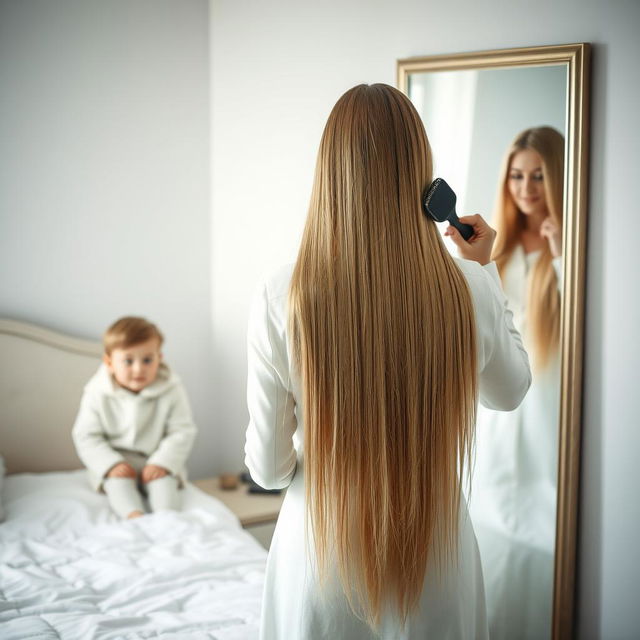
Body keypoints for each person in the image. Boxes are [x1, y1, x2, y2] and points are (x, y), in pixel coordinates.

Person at [244, 83, 531, 640]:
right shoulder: (467, 288)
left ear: (329, 175)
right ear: (421, 175)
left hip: (319, 559)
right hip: (436, 558)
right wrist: (484, 271)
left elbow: (270, 469)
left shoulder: (283, 294)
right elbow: (510, 391)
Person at [463, 126, 565, 640]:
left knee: (541, 520)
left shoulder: (565, 245)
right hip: (500, 404)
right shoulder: (495, 251)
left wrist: (564, 253)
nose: (526, 187)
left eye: (540, 175)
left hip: (549, 403)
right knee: (492, 511)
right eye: (518, 174)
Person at [72, 316, 197, 519]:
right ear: (109, 362)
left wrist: (162, 462)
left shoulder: (172, 387)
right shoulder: (97, 391)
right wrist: (111, 464)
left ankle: (167, 521)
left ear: (159, 358)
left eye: (147, 360)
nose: (139, 369)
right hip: (118, 460)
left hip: (156, 458)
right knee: (119, 486)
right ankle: (135, 517)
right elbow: (86, 435)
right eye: (128, 361)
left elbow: (182, 431)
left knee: (164, 486)